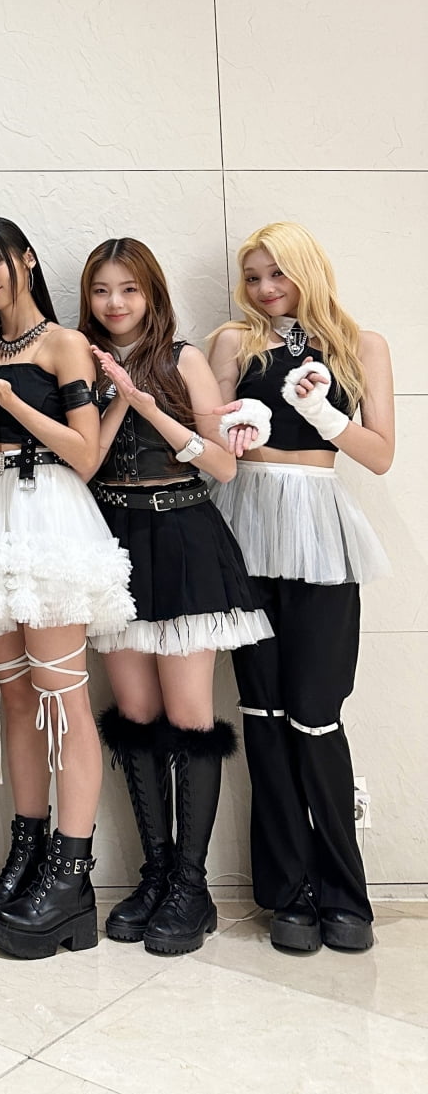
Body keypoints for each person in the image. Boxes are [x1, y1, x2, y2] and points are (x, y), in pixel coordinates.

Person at [0, 216, 134, 960]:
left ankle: (71, 874)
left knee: (61, 697)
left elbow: (85, 454)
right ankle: (27, 855)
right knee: (16, 698)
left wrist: (8, 399)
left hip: (48, 510)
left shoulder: (63, 344)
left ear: (25, 259)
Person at [78, 237, 268, 955]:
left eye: (129, 288)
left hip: (184, 534)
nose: (115, 302)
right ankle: (155, 874)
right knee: (134, 716)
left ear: (152, 293)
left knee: (190, 717)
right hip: (115, 540)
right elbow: (82, 462)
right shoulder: (82, 362)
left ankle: (193, 885)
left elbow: (223, 464)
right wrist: (107, 396)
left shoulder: (182, 358)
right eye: (102, 290)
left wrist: (145, 407)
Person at [208, 222, 393, 953]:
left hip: (321, 528)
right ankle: (287, 892)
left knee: (316, 715)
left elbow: (379, 454)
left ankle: (345, 892)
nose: (264, 289)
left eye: (277, 274)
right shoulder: (234, 342)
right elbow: (211, 441)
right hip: (244, 526)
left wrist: (323, 414)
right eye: (254, 277)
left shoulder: (361, 345)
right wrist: (237, 428)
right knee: (263, 710)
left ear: (308, 271)